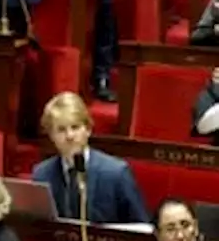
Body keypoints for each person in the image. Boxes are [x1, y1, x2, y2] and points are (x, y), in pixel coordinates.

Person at [32, 91, 149, 224]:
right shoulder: (42, 174)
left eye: (75, 127)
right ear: (51, 136)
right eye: (61, 130)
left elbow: (141, 227)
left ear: (88, 129)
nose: (69, 136)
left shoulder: (116, 173)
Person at [145, 198, 219, 241]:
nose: (180, 236)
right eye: (170, 229)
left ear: (195, 227)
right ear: (158, 235)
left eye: (186, 225)